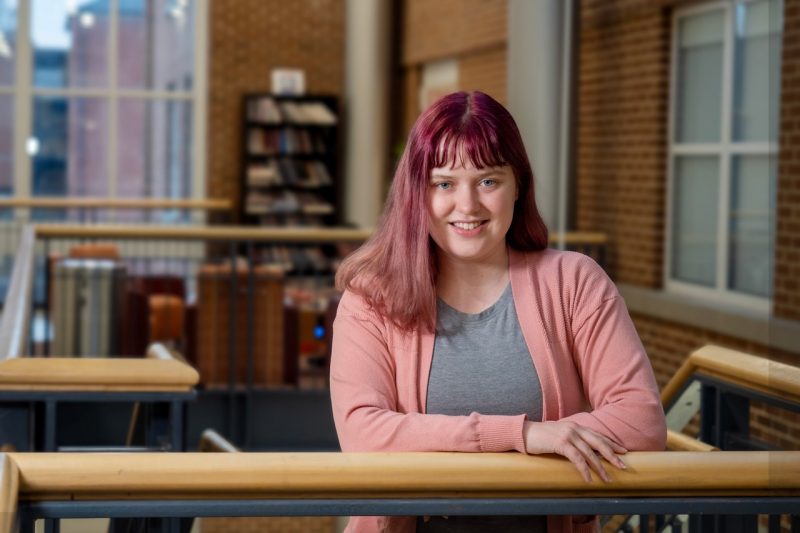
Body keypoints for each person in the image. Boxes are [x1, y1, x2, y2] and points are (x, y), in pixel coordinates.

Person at [330, 91, 666, 533]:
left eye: (488, 181)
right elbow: (363, 436)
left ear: (518, 185)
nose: (467, 205)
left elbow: (641, 421)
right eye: (444, 183)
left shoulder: (574, 282)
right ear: (417, 193)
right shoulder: (372, 296)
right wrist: (524, 435)